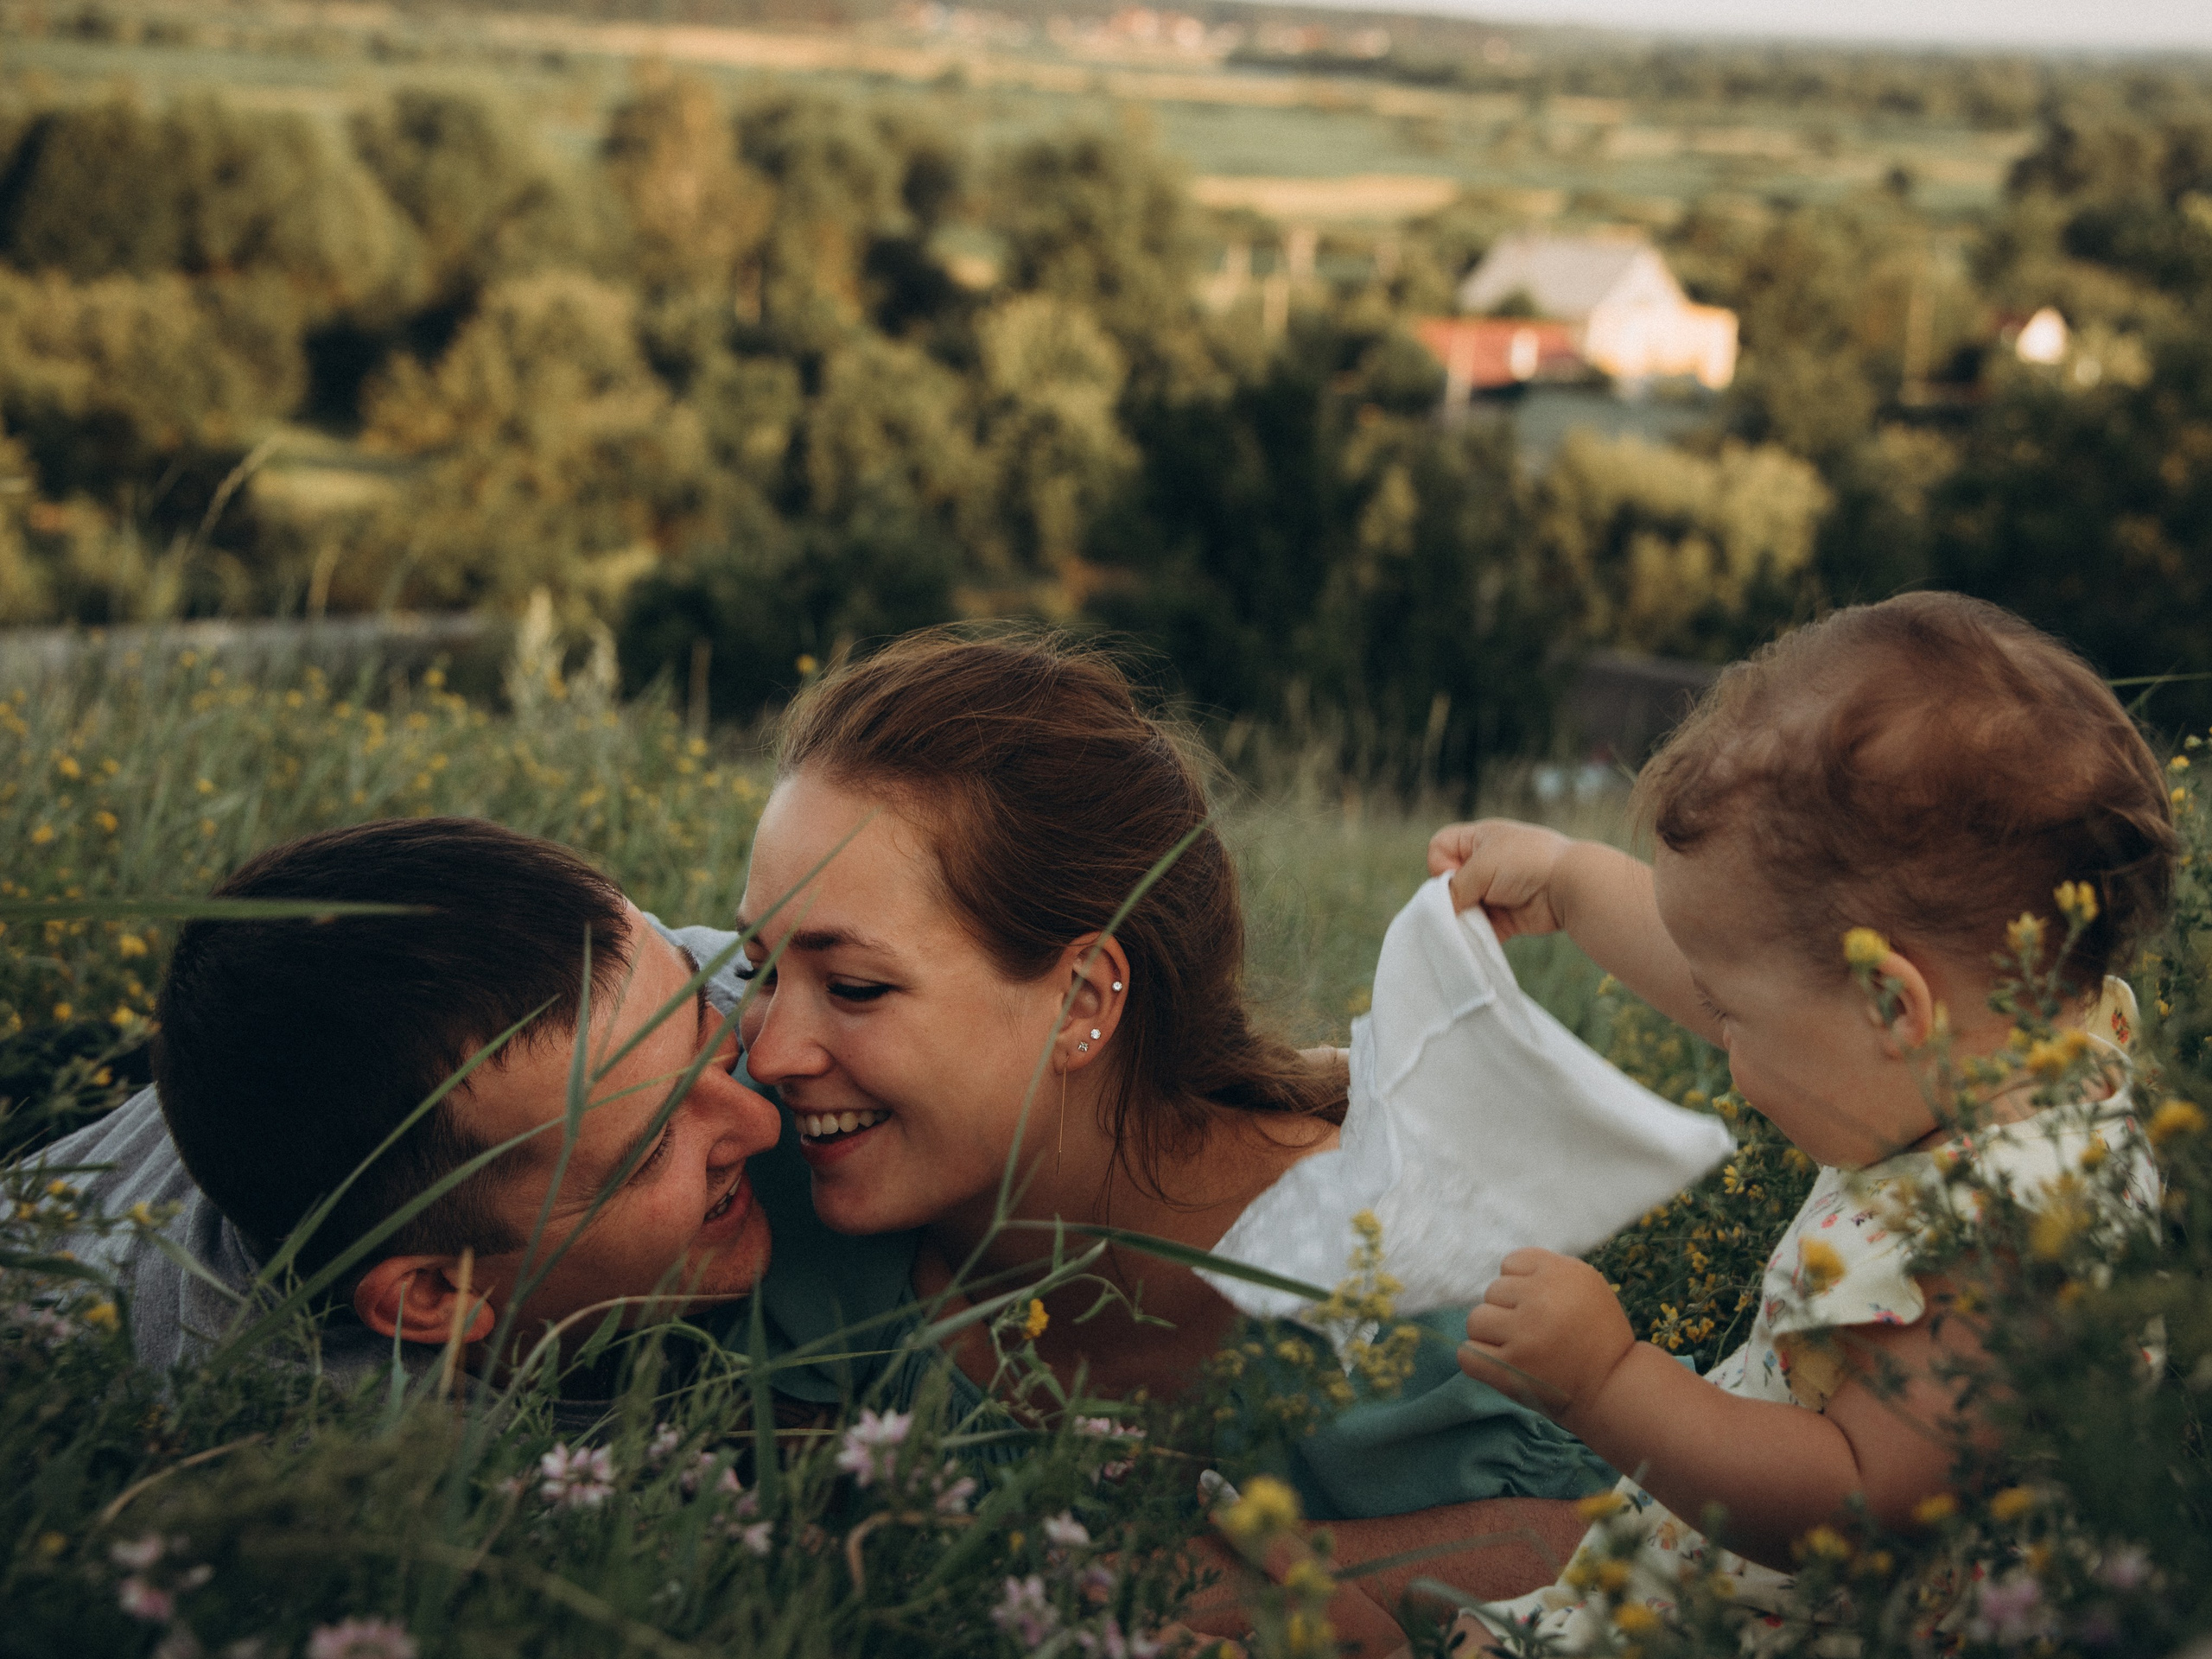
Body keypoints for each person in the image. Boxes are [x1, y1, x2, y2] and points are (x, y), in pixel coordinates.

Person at [723, 628, 1730, 1627]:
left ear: (1081, 1000)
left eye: (852, 986)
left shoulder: (1384, 1275)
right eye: (755, 969)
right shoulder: (761, 1156)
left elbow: (1672, 1545)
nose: (770, 1053)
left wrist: (1263, 1588)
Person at [1430, 592, 2175, 1649]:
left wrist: (1605, 1380)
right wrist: (1566, 881)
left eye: (1730, 1019)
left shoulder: (1999, 1234)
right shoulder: (2021, 1046)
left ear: (1889, 1006)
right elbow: (1752, 983)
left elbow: (1856, 1512)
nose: (1719, 1041)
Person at [36, 817, 783, 1385]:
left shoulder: (612, 1016)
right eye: (651, 1147)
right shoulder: (385, 1482)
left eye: (700, 1029)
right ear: (434, 1294)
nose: (764, 1118)